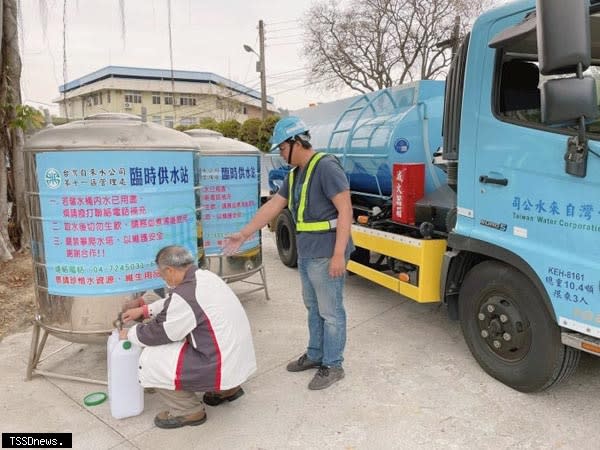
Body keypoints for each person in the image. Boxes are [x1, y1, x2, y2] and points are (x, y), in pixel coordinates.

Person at [223, 116, 353, 390]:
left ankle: (333, 365)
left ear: (297, 142)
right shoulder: (295, 174)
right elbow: (273, 207)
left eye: (282, 148)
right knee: (313, 307)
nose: (281, 155)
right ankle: (316, 354)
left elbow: (345, 210)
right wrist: (245, 232)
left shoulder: (326, 166)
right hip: (307, 253)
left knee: (331, 312)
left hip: (327, 252)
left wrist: (339, 253)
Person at [120, 245, 256, 429]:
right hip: (236, 360)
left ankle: (188, 411)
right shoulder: (205, 276)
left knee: (152, 359)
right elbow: (175, 302)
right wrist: (145, 309)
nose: (163, 278)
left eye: (162, 274)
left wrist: (129, 333)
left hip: (219, 363)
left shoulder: (186, 294)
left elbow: (161, 333)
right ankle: (226, 390)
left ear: (169, 269)